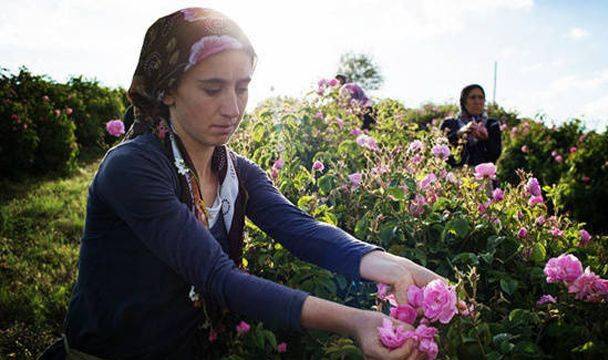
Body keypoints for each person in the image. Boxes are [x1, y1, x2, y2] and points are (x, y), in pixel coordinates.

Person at [40, 8, 443, 359]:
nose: (232, 108)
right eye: (212, 88)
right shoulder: (133, 168)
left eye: (242, 87)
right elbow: (218, 277)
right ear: (166, 90)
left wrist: (394, 266)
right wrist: (355, 322)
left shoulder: (234, 170)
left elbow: (301, 230)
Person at [440, 84, 502, 167]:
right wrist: (460, 133)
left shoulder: (492, 124)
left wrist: (486, 138)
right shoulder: (449, 124)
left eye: (481, 97)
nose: (477, 101)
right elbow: (440, 150)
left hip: (482, 177)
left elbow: (495, 154)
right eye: (472, 97)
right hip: (455, 175)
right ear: (464, 101)